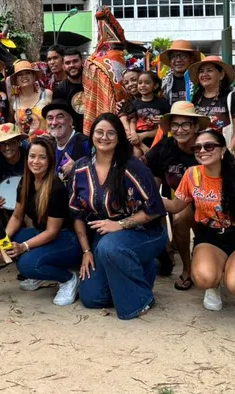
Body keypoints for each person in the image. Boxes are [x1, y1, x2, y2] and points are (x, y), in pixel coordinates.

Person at [68, 113, 168, 320]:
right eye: (99, 132)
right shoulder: (80, 168)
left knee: (110, 247)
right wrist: (86, 250)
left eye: (111, 133)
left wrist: (120, 225)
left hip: (145, 232)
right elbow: (76, 213)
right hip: (104, 237)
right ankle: (140, 268)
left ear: (119, 137)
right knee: (92, 298)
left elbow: (155, 209)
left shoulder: (133, 166)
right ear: (92, 135)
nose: (104, 137)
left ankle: (140, 299)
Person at [169, 129, 235, 313]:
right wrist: (148, 196)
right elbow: (176, 206)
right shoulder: (192, 175)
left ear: (222, 149)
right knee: (204, 278)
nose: (202, 151)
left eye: (209, 146)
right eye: (197, 147)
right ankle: (213, 284)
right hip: (209, 236)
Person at [0, 136, 81, 305]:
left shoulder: (56, 188)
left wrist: (23, 246)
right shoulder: (26, 181)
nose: (36, 161)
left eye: (42, 157)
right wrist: (4, 242)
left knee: (26, 264)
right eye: (32, 156)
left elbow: (52, 232)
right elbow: (17, 216)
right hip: (42, 232)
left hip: (66, 239)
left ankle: (68, 279)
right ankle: (41, 271)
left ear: (50, 160)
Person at [144, 102, 210, 291]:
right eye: (175, 125)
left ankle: (205, 255)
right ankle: (187, 268)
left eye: (185, 124)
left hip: (210, 201)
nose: (179, 130)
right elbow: (150, 176)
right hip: (182, 202)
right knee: (179, 218)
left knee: (207, 259)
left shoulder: (207, 145)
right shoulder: (165, 147)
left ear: (196, 127)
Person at [189, 56, 235, 156]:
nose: (204, 74)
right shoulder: (195, 98)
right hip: (200, 153)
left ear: (221, 75)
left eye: (209, 70)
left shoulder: (232, 97)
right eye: (201, 71)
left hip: (224, 152)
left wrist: (227, 154)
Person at [42, 99, 91, 181]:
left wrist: (77, 169)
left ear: (70, 121)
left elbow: (100, 173)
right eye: (50, 118)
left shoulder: (85, 144)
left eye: (60, 117)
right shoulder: (48, 146)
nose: (54, 122)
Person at [127, 70, 169, 156]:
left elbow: (167, 122)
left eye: (147, 83)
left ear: (155, 86)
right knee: (137, 156)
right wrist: (133, 133)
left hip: (156, 137)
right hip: (139, 138)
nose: (143, 85)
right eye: (140, 83)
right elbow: (133, 121)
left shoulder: (162, 103)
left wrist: (162, 120)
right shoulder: (134, 104)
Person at [0, 123, 29, 210]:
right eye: (3, 144)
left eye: (11, 143)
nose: (7, 148)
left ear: (18, 143)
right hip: (7, 205)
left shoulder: (28, 157)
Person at [11, 60, 52, 135]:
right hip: (23, 142)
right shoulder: (14, 99)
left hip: (46, 141)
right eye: (20, 74)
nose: (24, 76)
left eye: (28, 73)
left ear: (34, 76)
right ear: (16, 80)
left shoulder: (46, 94)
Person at [51, 49, 85, 132]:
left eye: (75, 61)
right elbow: (60, 117)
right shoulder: (60, 90)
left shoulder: (93, 83)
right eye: (68, 63)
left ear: (82, 62)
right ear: (63, 66)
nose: (72, 65)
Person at [159, 40, 201, 106]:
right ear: (170, 61)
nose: (178, 60)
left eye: (183, 56)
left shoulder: (199, 81)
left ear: (191, 59)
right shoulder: (163, 83)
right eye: (174, 56)